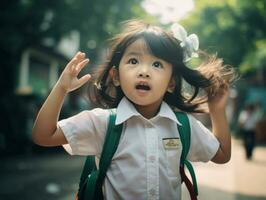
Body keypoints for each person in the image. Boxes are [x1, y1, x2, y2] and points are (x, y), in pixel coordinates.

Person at [32, 20, 236, 200]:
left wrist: (217, 110)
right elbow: (43, 135)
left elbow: (222, 155)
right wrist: (61, 88)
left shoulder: (183, 126)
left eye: (157, 64)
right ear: (116, 76)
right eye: (133, 61)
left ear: (171, 83)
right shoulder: (102, 123)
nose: (144, 72)